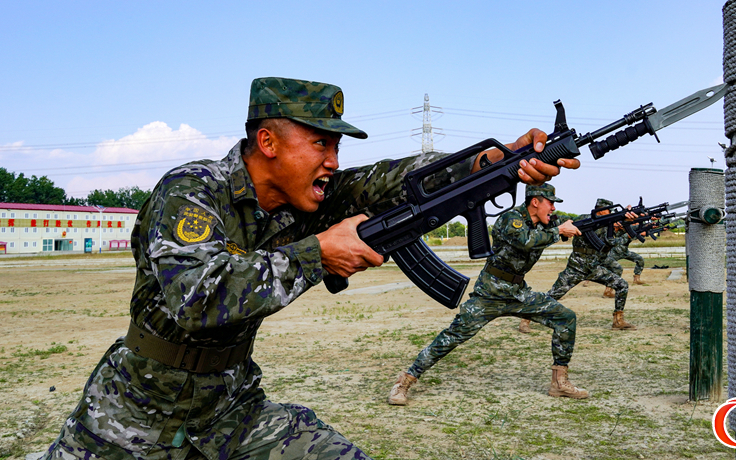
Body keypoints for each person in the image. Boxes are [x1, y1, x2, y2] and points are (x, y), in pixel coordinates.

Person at [42, 77, 577, 460]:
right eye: (321, 142)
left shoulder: (308, 200)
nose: (334, 160)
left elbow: (387, 181)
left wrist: (490, 163)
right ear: (268, 142)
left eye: (337, 146)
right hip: (128, 420)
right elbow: (198, 299)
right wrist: (318, 253)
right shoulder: (191, 191)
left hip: (231, 412)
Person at [387, 183, 589, 405]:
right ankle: (405, 381)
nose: (553, 208)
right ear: (535, 201)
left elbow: (581, 223)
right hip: (490, 294)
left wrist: (620, 219)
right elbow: (525, 241)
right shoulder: (510, 219)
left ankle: (559, 383)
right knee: (453, 336)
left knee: (565, 318)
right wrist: (559, 231)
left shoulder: (547, 223)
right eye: (550, 203)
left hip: (518, 294)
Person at [520, 198, 637, 332]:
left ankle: (618, 320)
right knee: (553, 295)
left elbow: (609, 244)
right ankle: (526, 318)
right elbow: (562, 225)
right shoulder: (585, 219)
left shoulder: (608, 225)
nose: (610, 212)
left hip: (593, 267)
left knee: (622, 285)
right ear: (601, 209)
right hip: (576, 268)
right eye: (608, 210)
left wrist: (626, 224)